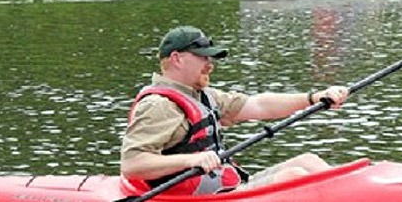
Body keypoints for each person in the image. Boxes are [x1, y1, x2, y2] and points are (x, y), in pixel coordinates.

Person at [120, 26, 350, 196]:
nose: (210, 64)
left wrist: (312, 98)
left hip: (228, 188)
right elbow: (133, 165)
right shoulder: (158, 105)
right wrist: (191, 160)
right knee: (293, 179)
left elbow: (259, 105)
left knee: (309, 162)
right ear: (176, 59)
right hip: (197, 198)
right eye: (203, 58)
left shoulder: (203, 95)